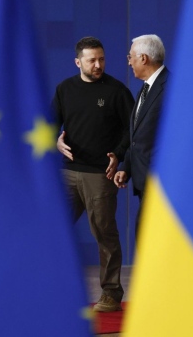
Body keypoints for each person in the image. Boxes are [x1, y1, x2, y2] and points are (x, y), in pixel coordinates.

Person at [53, 36, 134, 312]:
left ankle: (111, 293)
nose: (98, 64)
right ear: (78, 62)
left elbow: (132, 131)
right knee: (53, 229)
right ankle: (49, 288)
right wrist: (56, 141)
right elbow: (50, 124)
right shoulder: (64, 89)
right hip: (67, 175)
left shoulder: (117, 91)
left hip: (101, 175)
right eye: (91, 60)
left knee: (104, 234)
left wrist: (119, 154)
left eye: (101, 59)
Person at [114, 34, 169, 232]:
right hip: (143, 180)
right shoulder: (144, 90)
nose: (129, 62)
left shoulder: (171, 87)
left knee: (147, 236)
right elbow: (137, 137)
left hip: (162, 183)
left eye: (131, 57)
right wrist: (126, 168)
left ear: (143, 58)